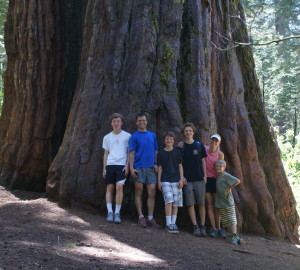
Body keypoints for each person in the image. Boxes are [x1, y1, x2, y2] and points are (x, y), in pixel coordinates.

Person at [129, 113, 160, 228]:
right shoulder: (134, 136)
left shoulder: (152, 135)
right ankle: (141, 216)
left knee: (152, 192)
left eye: (143, 120)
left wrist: (156, 163)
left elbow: (156, 151)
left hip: (151, 167)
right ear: (136, 122)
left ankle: (150, 217)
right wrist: (131, 168)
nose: (142, 122)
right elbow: (131, 153)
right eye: (139, 121)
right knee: (139, 191)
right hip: (138, 167)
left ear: (146, 122)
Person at [102, 113, 131, 224]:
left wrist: (127, 165)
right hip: (110, 165)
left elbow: (129, 152)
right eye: (114, 121)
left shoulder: (127, 136)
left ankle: (117, 213)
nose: (116, 123)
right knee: (109, 187)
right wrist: (104, 168)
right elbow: (105, 153)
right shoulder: (107, 137)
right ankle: (110, 212)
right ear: (111, 123)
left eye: (118, 121)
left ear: (121, 123)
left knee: (119, 186)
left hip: (121, 166)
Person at [180, 122, 207, 237]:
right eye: (186, 131)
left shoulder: (199, 145)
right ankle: (195, 226)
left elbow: (203, 161)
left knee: (201, 203)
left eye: (190, 130)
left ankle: (203, 226)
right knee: (190, 204)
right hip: (188, 180)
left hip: (199, 179)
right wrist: (182, 177)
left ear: (193, 132)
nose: (188, 132)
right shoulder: (181, 147)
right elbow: (179, 163)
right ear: (184, 133)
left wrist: (205, 176)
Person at [157, 132, 184, 233]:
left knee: (176, 202)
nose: (169, 141)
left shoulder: (177, 152)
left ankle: (173, 223)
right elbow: (160, 168)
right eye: (167, 139)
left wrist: (181, 179)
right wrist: (159, 181)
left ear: (174, 141)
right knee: (169, 200)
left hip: (176, 180)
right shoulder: (161, 153)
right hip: (165, 180)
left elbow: (180, 166)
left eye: (171, 139)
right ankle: (168, 223)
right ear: (165, 140)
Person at [215, 159, 243, 245]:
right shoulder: (218, 176)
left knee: (231, 219)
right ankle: (235, 237)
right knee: (227, 220)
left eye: (221, 166)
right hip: (221, 201)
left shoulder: (226, 175)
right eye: (217, 166)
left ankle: (235, 236)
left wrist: (230, 188)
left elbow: (237, 180)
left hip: (228, 201)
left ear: (224, 167)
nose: (218, 167)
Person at [205, 134, 226, 238]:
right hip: (206, 179)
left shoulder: (220, 154)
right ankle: (213, 228)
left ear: (219, 143)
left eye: (216, 141)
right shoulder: (204, 149)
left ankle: (219, 228)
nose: (213, 142)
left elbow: (222, 169)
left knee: (217, 205)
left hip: (216, 180)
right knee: (209, 204)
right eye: (212, 140)